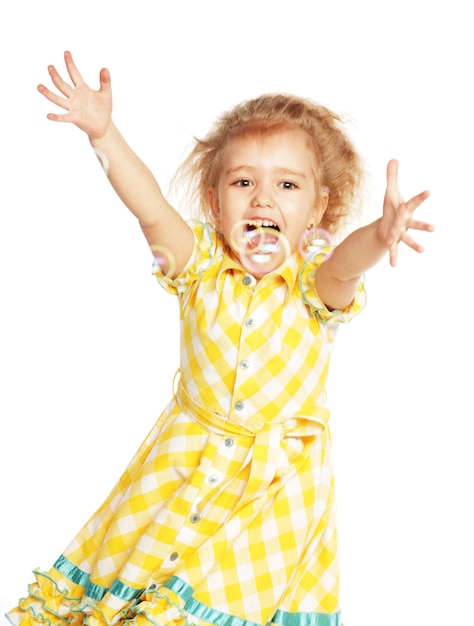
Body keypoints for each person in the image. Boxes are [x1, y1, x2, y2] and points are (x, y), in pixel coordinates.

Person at [7, 51, 433, 626]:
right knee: (147, 588)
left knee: (223, 600)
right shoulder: (200, 266)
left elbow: (346, 268)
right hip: (185, 464)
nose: (262, 199)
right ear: (215, 201)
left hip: (272, 488)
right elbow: (151, 209)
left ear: (317, 210)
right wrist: (104, 135)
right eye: (242, 182)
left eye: (286, 184)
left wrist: (380, 236)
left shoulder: (313, 282)